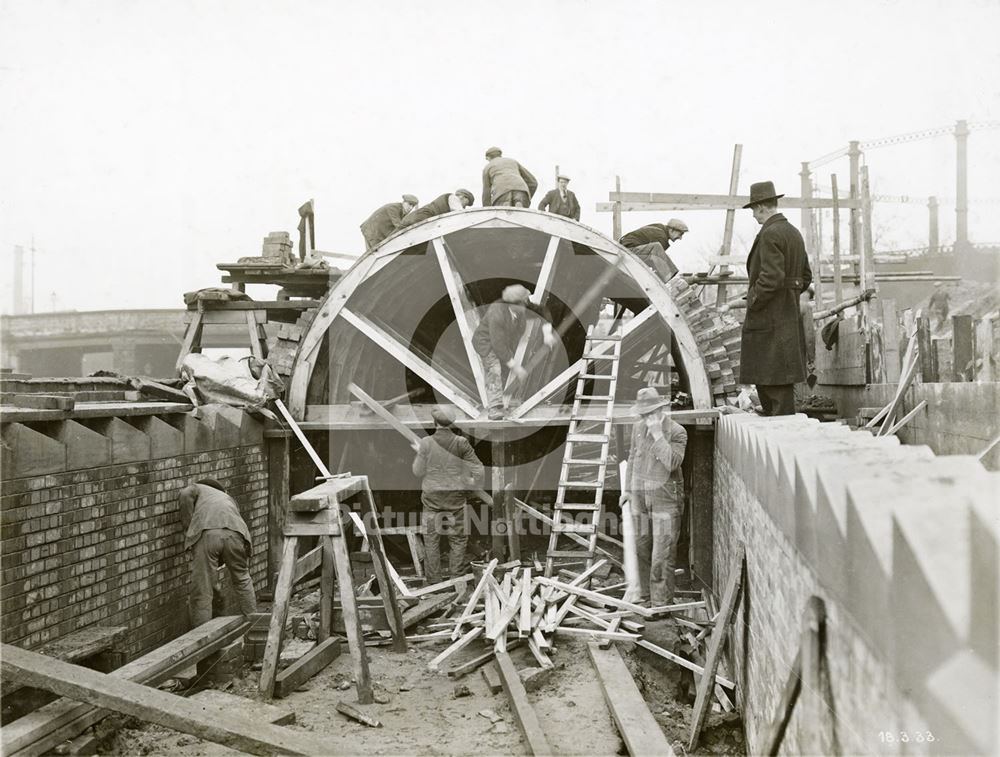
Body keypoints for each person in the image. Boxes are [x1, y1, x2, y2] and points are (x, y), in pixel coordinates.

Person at [738, 181, 813, 416]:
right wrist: (789, 295)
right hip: (786, 316)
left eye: (753, 210)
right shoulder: (793, 233)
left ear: (761, 206)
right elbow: (806, 277)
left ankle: (782, 443)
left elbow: (771, 277)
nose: (753, 216)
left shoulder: (770, 233)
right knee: (779, 378)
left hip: (768, 320)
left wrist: (753, 299)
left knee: (770, 381)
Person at [619, 387, 687, 607]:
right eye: (644, 414)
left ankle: (660, 605)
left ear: (660, 410)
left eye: (650, 413)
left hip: (665, 500)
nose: (647, 418)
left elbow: (672, 463)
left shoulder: (677, 432)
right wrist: (628, 491)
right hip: (640, 497)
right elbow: (632, 458)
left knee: (662, 554)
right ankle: (646, 595)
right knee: (641, 547)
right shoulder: (638, 428)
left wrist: (658, 435)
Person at [411, 406, 485, 584]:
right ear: (452, 423)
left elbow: (417, 472)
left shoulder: (426, 442)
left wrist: (421, 452)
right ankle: (457, 580)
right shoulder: (461, 442)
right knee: (458, 539)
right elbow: (479, 469)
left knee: (431, 539)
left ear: (434, 422)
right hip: (455, 499)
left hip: (431, 499)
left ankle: (434, 582)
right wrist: (473, 484)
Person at [177, 478, 257, 627]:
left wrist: (189, 529)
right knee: (242, 578)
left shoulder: (198, 488)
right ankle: (254, 622)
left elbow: (185, 493)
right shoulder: (227, 498)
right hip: (237, 533)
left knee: (203, 588)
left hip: (208, 532)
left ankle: (201, 636)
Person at [472, 284, 557, 419]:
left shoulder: (520, 306)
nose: (526, 306)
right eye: (523, 304)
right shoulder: (497, 312)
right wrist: (515, 366)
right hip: (486, 343)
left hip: (505, 340)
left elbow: (543, 311)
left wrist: (547, 333)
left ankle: (506, 401)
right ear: (513, 304)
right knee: (494, 370)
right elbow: (498, 345)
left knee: (506, 366)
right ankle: (494, 408)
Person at [619, 219, 689, 282]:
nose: (680, 238)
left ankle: (673, 278)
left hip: (632, 251)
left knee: (660, 256)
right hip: (627, 251)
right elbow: (656, 261)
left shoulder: (660, 230)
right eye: (680, 234)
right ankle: (671, 281)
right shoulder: (660, 236)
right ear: (671, 230)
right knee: (657, 248)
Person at [395, 189, 474, 231]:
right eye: (465, 204)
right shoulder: (454, 198)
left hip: (415, 216)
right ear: (463, 197)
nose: (464, 207)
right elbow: (461, 214)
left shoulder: (447, 199)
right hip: (423, 217)